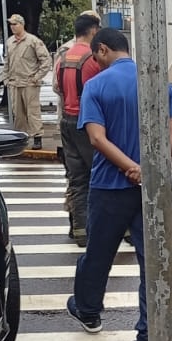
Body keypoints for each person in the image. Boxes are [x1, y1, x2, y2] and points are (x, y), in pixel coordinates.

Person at [66, 28, 172, 341]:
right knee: (152, 264)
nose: (95, 62)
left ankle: (88, 310)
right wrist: (150, 169)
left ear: (102, 49)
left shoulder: (96, 86)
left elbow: (97, 139)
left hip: (108, 187)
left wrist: (131, 168)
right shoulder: (158, 83)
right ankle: (147, 336)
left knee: (98, 255)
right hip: (152, 189)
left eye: (95, 56)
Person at [55, 12, 102, 247]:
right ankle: (108, 227)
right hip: (88, 123)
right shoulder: (92, 59)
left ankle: (80, 230)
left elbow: (56, 87)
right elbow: (102, 90)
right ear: (93, 31)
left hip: (66, 122)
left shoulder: (63, 57)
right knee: (100, 175)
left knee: (76, 179)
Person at [5, 13, 52, 150]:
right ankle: (20, 138)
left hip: (29, 83)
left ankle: (37, 137)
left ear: (22, 24)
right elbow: (7, 61)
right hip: (15, 83)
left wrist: (36, 77)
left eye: (15, 24)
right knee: (18, 114)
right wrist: (5, 78)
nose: (12, 27)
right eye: (11, 24)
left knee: (33, 112)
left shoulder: (33, 41)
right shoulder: (9, 42)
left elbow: (46, 60)